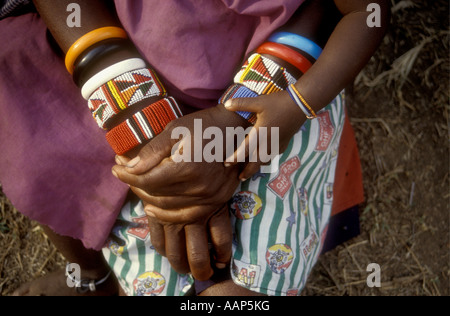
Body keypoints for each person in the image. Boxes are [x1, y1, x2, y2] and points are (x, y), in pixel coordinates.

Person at [0, 0, 388, 296]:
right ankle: (92, 275)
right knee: (38, 156)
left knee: (233, 288)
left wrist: (247, 119)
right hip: (110, 78)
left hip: (270, 102)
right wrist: (152, 136)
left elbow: (364, 11)